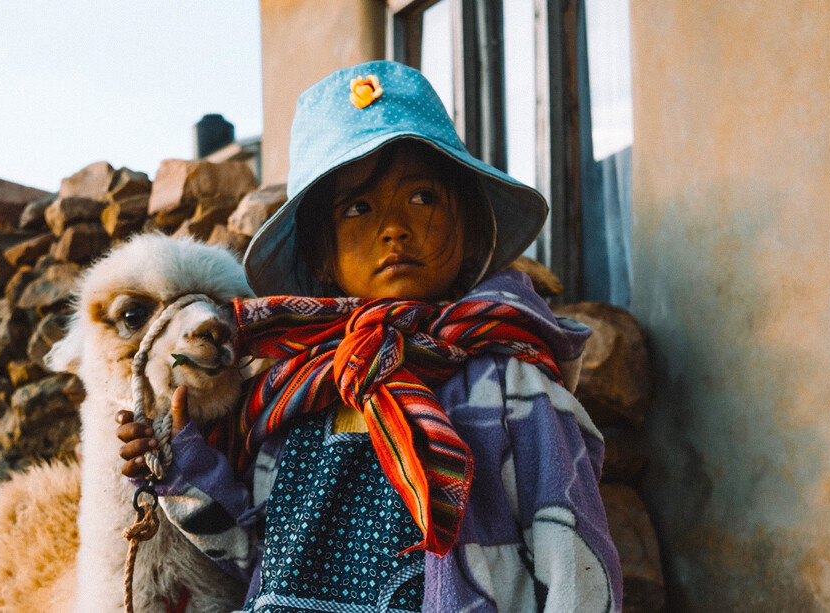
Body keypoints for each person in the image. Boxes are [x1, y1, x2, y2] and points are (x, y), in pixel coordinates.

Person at [117, 60, 622, 612]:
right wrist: (179, 465)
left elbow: (572, 552)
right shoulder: (297, 392)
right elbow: (260, 556)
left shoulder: (509, 379)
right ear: (321, 256)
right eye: (358, 208)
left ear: (468, 225)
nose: (394, 227)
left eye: (423, 198)